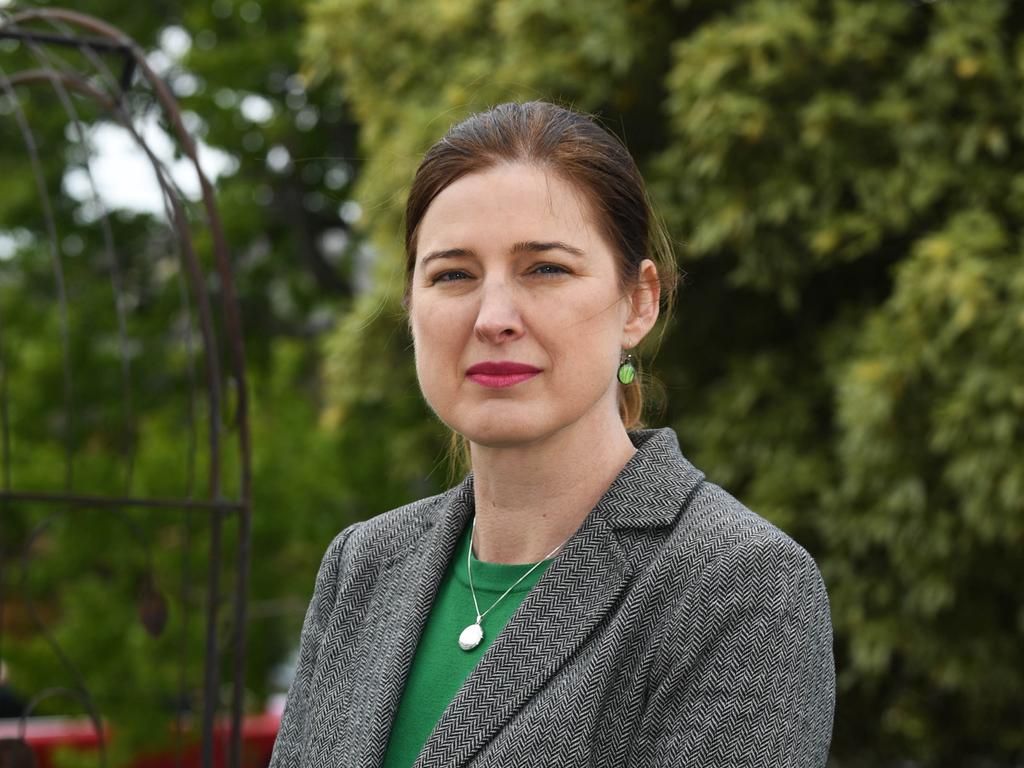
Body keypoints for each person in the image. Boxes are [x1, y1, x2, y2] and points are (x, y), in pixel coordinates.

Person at [269, 101, 835, 767]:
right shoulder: (362, 567)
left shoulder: (740, 583)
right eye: (453, 274)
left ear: (639, 301)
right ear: (411, 306)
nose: (494, 317)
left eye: (545, 269)